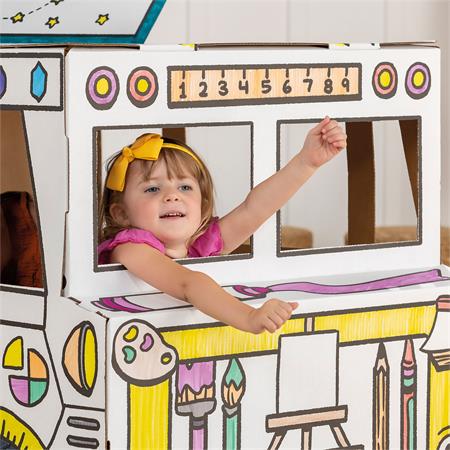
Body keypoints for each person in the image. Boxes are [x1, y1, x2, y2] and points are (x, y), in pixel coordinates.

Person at [98, 117, 347, 334]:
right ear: (121, 214)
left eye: (184, 187)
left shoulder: (199, 245)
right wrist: (248, 316)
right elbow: (188, 283)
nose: (172, 196)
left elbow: (254, 209)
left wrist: (306, 162)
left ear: (203, 204)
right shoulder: (129, 248)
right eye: (153, 189)